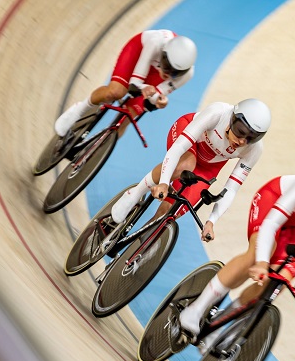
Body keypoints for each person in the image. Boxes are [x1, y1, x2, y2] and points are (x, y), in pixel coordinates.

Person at [177, 168, 295, 351]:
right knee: (256, 255)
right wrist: (262, 262)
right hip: (273, 202)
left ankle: (218, 324)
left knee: (278, 282)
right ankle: (195, 309)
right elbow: (272, 222)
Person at [108, 98, 272, 233]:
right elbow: (179, 147)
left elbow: (231, 189)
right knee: (186, 164)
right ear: (232, 119)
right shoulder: (217, 113)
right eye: (240, 131)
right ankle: (134, 194)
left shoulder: (254, 149)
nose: (242, 141)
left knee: (168, 214)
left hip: (207, 168)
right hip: (187, 140)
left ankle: (136, 247)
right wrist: (164, 182)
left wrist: (211, 221)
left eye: (251, 138)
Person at [54, 30, 197, 137]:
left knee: (128, 116)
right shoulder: (156, 42)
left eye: (175, 73)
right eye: (167, 67)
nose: (168, 74)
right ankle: (79, 109)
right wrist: (144, 88)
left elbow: (156, 95)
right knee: (116, 92)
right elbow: (134, 84)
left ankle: (96, 149)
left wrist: (159, 100)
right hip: (138, 53)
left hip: (155, 73)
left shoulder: (187, 74)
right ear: (164, 55)